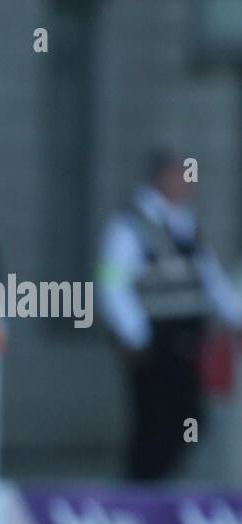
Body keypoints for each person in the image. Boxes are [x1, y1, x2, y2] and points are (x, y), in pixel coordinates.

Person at [97, 149, 242, 481]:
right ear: (161, 178)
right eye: (180, 176)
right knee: (154, 419)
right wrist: (133, 333)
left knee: (190, 418)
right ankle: (141, 488)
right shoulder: (130, 226)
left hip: (188, 340)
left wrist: (234, 316)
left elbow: (209, 276)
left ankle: (160, 482)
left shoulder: (185, 225)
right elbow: (112, 283)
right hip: (154, 341)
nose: (186, 184)